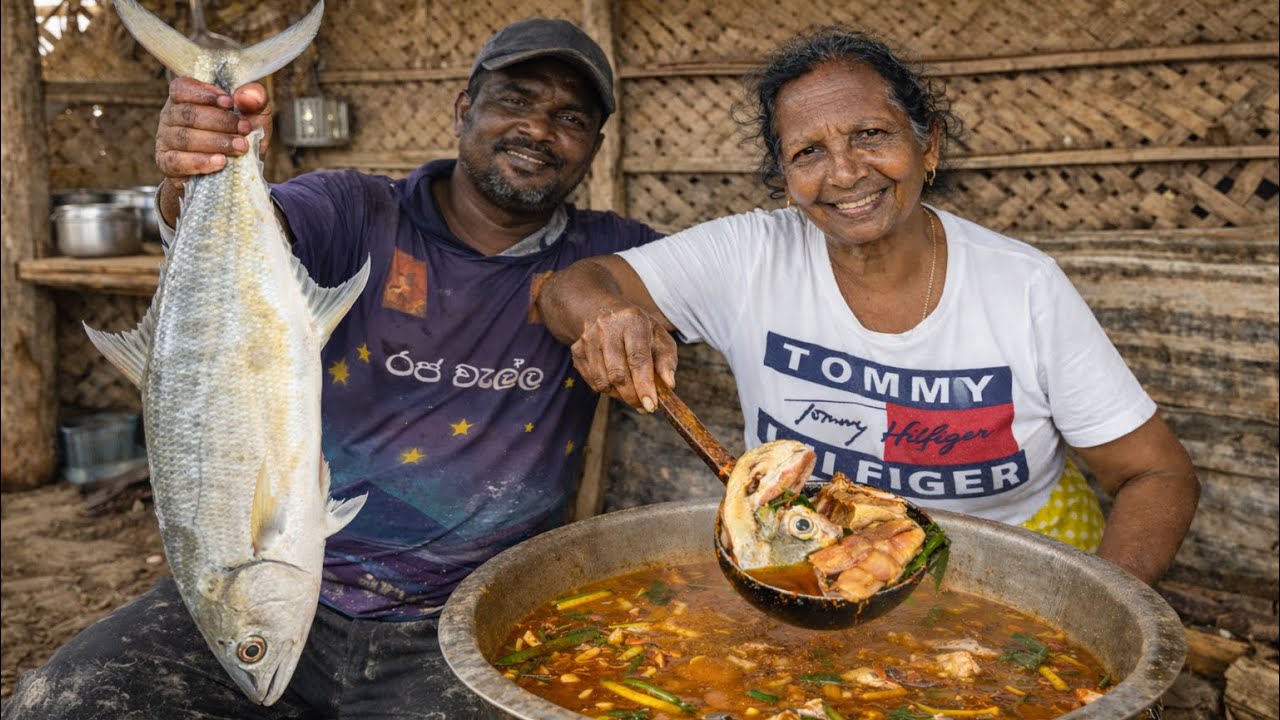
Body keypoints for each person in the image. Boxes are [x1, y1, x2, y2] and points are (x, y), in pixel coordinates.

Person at [4, 17, 660, 720]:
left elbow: (731, 275)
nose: (537, 128)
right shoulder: (355, 208)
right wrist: (192, 174)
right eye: (515, 100)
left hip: (470, 622)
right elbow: (253, 230)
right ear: (463, 109)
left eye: (570, 118)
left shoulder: (620, 255)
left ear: (595, 147)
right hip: (284, 596)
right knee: (58, 705)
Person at [537, 26, 1200, 588]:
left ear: (927, 145)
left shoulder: (1023, 287)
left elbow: (1157, 473)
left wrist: (1098, 611)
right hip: (816, 565)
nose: (846, 172)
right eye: (808, 152)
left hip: (1008, 580)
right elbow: (572, 287)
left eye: (870, 134)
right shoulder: (749, 257)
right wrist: (607, 316)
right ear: (786, 180)